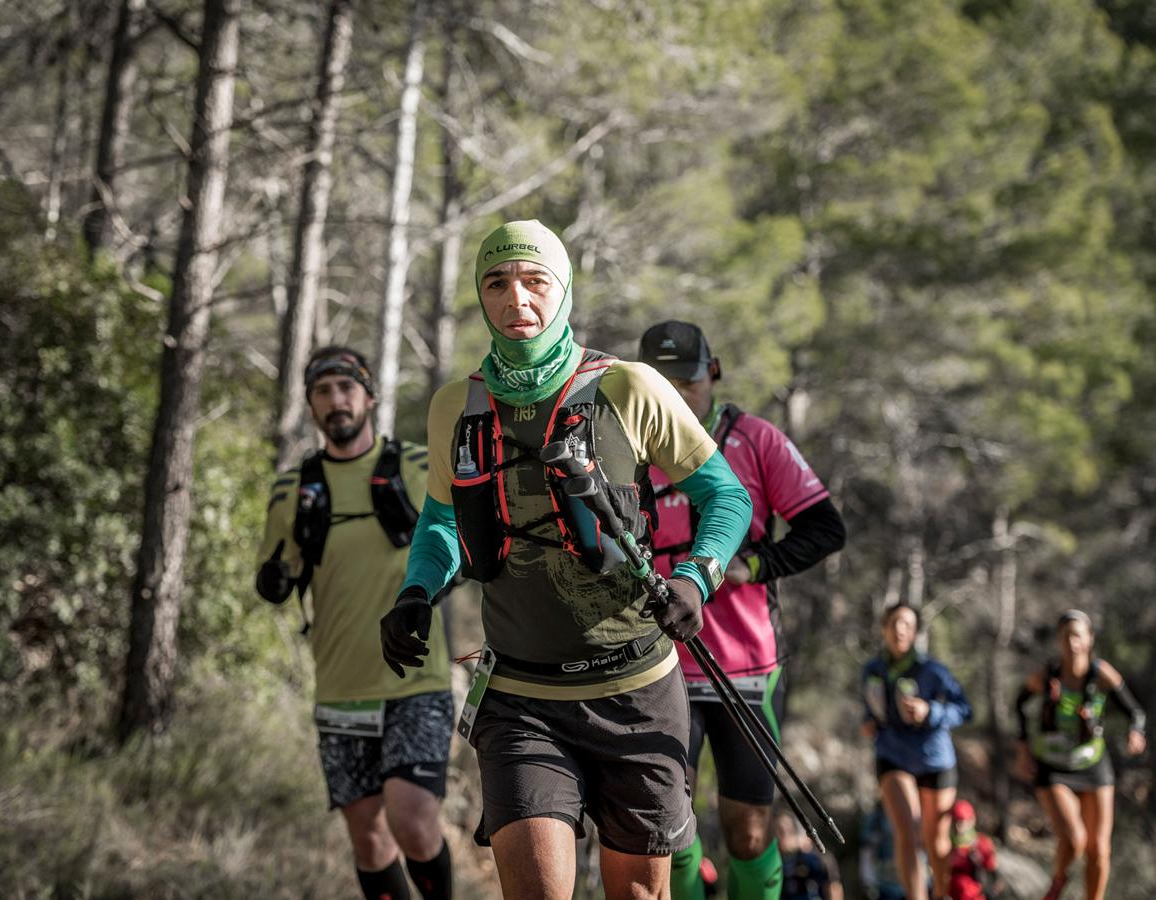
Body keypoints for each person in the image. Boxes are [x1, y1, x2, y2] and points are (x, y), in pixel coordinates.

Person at [379, 219, 754, 899]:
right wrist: (415, 592)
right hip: (523, 699)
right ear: (481, 296)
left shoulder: (629, 388)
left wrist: (696, 579)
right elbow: (439, 522)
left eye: (533, 281)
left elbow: (726, 496)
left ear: (563, 291)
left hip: (636, 693)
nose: (515, 297)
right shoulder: (453, 408)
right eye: (497, 283)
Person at [639, 320, 847, 900]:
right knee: (667, 832)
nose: (679, 392)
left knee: (748, 832)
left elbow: (825, 529)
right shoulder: (626, 444)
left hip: (746, 667)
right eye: (663, 380)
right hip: (657, 668)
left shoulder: (754, 439)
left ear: (714, 371)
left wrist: (753, 566)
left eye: (689, 378)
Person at [256, 346, 454, 900]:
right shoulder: (292, 489)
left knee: (412, 821)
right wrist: (272, 581)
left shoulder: (416, 466)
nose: (336, 401)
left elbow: (461, 551)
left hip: (416, 679)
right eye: (323, 392)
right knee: (368, 839)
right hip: (340, 687)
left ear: (369, 397)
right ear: (311, 407)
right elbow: (278, 573)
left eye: (346, 388)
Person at [1015, 609, 1147, 900]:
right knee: (1074, 840)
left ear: (1089, 639)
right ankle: (1058, 884)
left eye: (1076, 635)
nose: (1070, 642)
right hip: (1053, 767)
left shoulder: (1101, 674)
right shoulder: (1048, 675)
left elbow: (1135, 711)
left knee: (1099, 849)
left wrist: (1136, 732)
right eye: (1064, 637)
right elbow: (1020, 704)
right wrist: (1023, 749)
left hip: (1093, 765)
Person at [860, 604, 972, 900]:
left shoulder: (933, 671)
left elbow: (964, 709)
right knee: (907, 831)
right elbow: (871, 709)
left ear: (915, 632)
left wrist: (931, 711)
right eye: (895, 622)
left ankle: (942, 894)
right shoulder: (873, 670)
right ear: (884, 628)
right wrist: (868, 723)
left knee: (935, 842)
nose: (900, 629)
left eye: (907, 624)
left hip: (935, 760)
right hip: (893, 756)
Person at [776, 814, 842, 900]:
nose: (781, 837)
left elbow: (833, 887)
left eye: (787, 832)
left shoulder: (817, 860)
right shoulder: (775, 859)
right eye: (779, 832)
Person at [943, 800, 998, 900]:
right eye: (955, 821)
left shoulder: (982, 844)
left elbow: (992, 873)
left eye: (962, 821)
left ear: (972, 820)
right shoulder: (944, 842)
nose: (958, 827)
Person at [857, 806, 905, 900]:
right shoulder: (876, 819)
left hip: (909, 885)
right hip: (884, 887)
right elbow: (866, 853)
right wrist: (869, 882)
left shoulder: (916, 812)